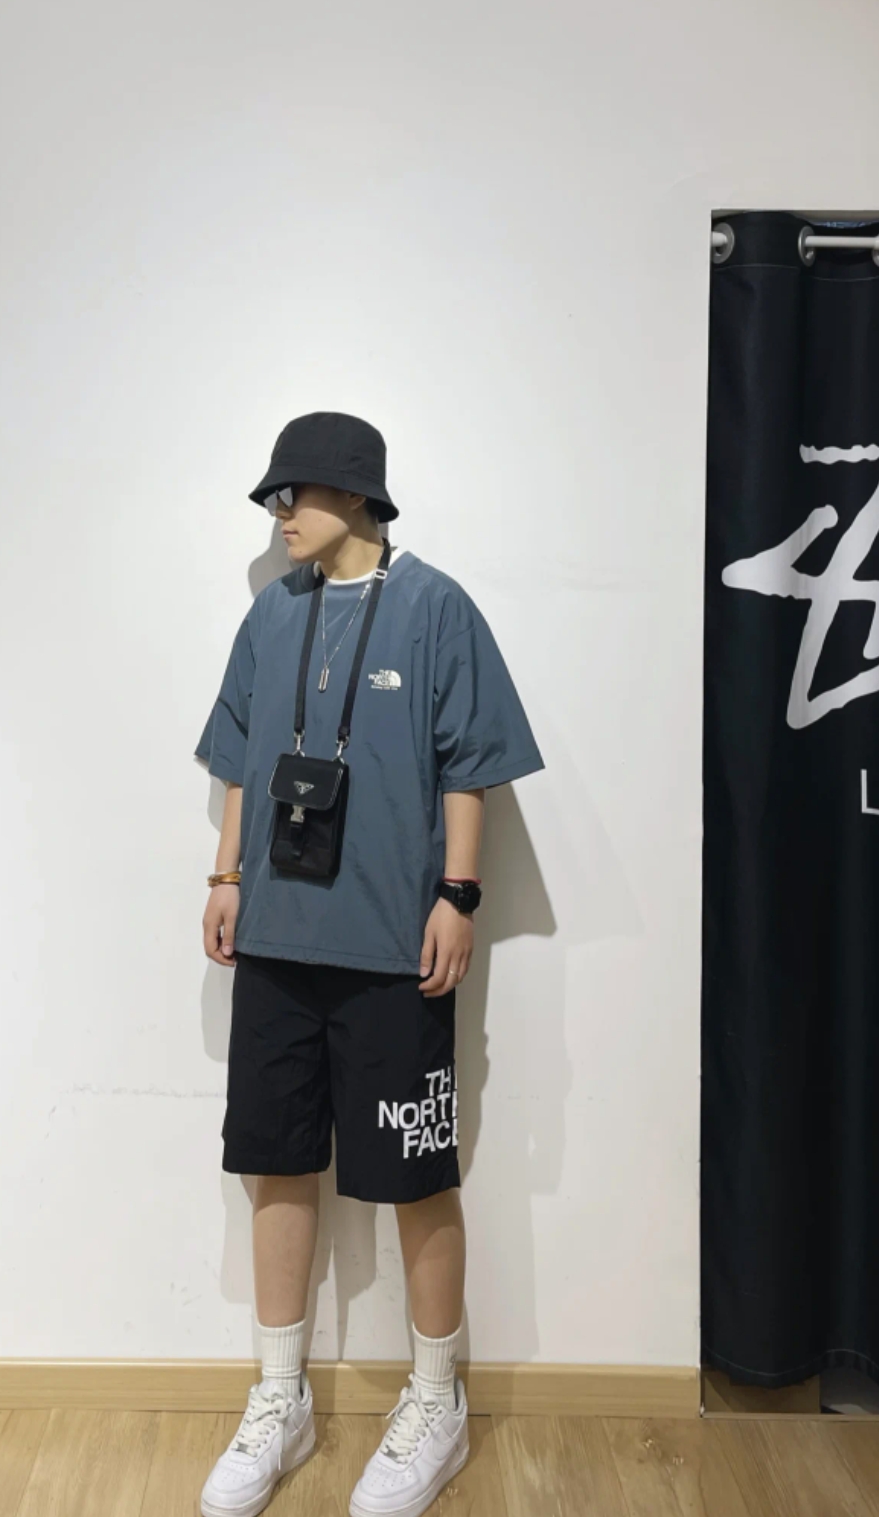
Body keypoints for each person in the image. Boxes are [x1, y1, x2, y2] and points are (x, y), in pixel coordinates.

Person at [193, 411, 545, 1517]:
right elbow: (239, 758)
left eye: (292, 493)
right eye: (273, 498)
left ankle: (437, 1401)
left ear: (354, 494)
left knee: (415, 1175)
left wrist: (459, 894)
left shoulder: (436, 607)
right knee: (275, 1162)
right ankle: (280, 1395)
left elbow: (469, 767)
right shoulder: (271, 613)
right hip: (276, 941)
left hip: (395, 948)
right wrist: (226, 875)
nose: (279, 515)